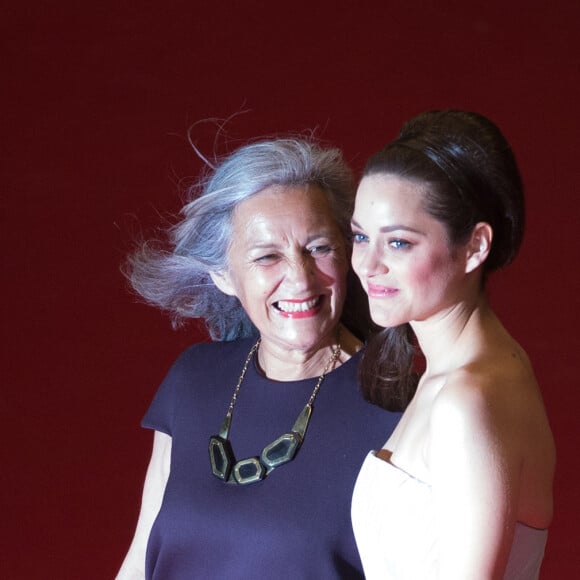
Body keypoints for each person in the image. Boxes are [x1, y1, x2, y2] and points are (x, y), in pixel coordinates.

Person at [116, 137, 400, 579]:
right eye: (268, 256)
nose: (300, 279)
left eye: (319, 248)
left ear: (349, 254)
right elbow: (138, 565)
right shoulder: (193, 380)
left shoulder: (397, 409)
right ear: (223, 275)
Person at [349, 110, 555, 579]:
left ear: (476, 246)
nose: (369, 264)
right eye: (360, 236)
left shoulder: (467, 399)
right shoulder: (465, 375)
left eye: (398, 243)